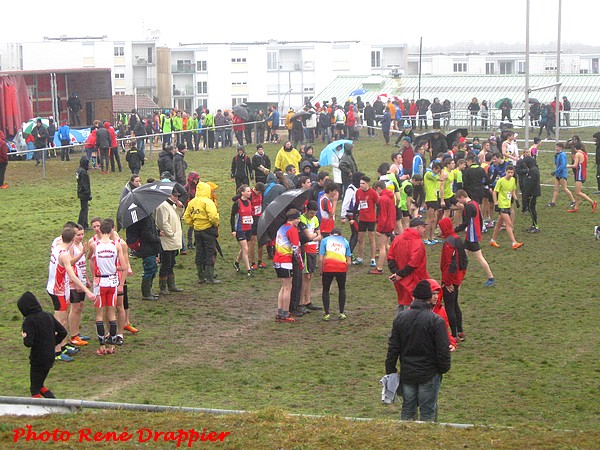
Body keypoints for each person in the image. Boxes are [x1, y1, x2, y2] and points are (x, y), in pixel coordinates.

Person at [385, 279, 451, 422]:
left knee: (408, 409)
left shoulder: (401, 318)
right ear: (429, 298)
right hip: (429, 373)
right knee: (428, 411)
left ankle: (406, 439)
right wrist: (442, 369)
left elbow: (393, 347)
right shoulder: (436, 321)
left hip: (408, 372)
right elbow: (442, 350)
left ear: (413, 297)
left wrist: (390, 369)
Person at [47, 227, 94, 362]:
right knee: (60, 321)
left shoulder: (58, 248)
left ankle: (62, 346)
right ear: (73, 238)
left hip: (58, 288)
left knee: (62, 319)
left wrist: (81, 254)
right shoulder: (64, 254)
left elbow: (68, 263)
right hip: (59, 290)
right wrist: (87, 291)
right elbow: (72, 276)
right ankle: (56, 351)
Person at [88, 220, 127, 355]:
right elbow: (124, 267)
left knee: (99, 315)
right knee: (111, 313)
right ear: (111, 230)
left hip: (99, 282)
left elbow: (89, 257)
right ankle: (112, 346)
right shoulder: (116, 245)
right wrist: (114, 267)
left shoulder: (94, 244)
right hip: (112, 281)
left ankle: (102, 346)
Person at [18, 291, 67, 398]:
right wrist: (53, 342)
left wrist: (25, 335)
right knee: (40, 385)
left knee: (34, 389)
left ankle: (39, 412)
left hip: (37, 359)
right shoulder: (48, 315)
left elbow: (28, 343)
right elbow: (63, 332)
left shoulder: (29, 321)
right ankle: (55, 404)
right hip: (50, 356)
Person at [387, 217, 430, 314]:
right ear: (418, 227)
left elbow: (390, 257)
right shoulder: (418, 242)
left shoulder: (398, 239)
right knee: (411, 306)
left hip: (400, 280)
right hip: (414, 280)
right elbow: (414, 263)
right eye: (423, 227)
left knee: (401, 303)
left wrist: (396, 273)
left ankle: (399, 326)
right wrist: (400, 274)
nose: (424, 230)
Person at [454, 190, 496, 287]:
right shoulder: (474, 203)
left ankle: (491, 278)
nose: (460, 203)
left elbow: (466, 223)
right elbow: (480, 219)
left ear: (461, 197)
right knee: (463, 256)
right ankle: (458, 278)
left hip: (472, 237)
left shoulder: (469, 206)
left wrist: (455, 230)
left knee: (478, 257)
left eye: (459, 200)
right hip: (472, 235)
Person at [184, 180, 221, 284]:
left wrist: (194, 224)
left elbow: (186, 217)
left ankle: (201, 276)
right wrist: (215, 223)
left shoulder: (192, 202)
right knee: (210, 252)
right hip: (208, 230)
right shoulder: (208, 202)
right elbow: (213, 216)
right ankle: (210, 277)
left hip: (197, 231)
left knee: (199, 252)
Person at [438, 217, 468, 343]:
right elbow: (464, 261)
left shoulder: (448, 243)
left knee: (450, 306)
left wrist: (447, 282)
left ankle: (454, 334)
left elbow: (450, 264)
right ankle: (460, 331)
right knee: (455, 304)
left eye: (439, 227)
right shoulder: (457, 239)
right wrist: (460, 279)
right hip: (457, 278)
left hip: (450, 279)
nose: (438, 230)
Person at [274, 209, 303, 323]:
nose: (299, 221)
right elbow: (296, 249)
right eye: (298, 218)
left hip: (277, 260)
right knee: (288, 288)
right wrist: (300, 263)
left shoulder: (282, 228)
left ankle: (280, 311)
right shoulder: (292, 230)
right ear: (294, 219)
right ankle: (285, 313)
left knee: (283, 287)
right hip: (285, 260)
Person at [319, 228, 351, 321]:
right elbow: (348, 261)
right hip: (341, 268)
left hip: (328, 268)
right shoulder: (345, 241)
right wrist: (345, 270)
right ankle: (341, 312)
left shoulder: (325, 240)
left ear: (330, 234)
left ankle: (327, 313)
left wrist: (321, 271)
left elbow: (321, 259)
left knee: (325, 290)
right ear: (340, 235)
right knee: (342, 289)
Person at [155, 191, 184, 295]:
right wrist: (171, 234)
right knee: (166, 263)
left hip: (173, 239)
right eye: (174, 196)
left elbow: (179, 216)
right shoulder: (163, 206)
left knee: (171, 263)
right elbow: (163, 222)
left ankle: (171, 285)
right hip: (167, 240)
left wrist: (180, 207)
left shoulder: (172, 206)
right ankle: (163, 287)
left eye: (177, 196)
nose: (176, 198)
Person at [490, 166, 524, 249]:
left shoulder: (513, 180)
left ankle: (493, 240)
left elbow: (512, 191)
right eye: (509, 172)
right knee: (508, 223)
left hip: (508, 204)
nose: (510, 174)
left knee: (499, 224)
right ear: (506, 172)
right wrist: (496, 204)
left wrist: (516, 200)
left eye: (512, 172)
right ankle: (514, 242)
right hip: (502, 205)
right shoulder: (501, 181)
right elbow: (495, 192)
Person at [298, 201, 323, 315]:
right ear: (307, 210)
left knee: (311, 276)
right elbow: (308, 236)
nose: (313, 215)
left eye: (314, 214)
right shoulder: (302, 219)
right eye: (311, 213)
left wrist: (313, 237)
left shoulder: (316, 219)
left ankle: (308, 301)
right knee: (305, 276)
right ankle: (301, 302)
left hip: (314, 249)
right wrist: (314, 236)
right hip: (306, 250)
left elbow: (319, 235)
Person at [353, 175, 379, 267]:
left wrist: (378, 217)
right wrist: (354, 216)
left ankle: (372, 259)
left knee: (371, 238)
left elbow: (378, 204)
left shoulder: (373, 193)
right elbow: (356, 204)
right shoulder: (358, 192)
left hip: (371, 219)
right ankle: (360, 258)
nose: (361, 185)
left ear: (368, 184)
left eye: (363, 183)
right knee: (360, 239)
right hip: (362, 219)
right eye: (360, 183)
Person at [371, 180, 396, 275]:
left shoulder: (382, 199)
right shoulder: (390, 197)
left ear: (378, 188)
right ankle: (397, 260)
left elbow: (382, 216)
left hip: (385, 226)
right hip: (391, 224)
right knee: (386, 246)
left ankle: (379, 268)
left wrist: (379, 229)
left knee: (381, 247)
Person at [231, 185, 254, 277]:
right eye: (248, 191)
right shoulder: (237, 203)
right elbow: (232, 217)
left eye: (250, 191)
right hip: (240, 229)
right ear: (242, 193)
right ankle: (249, 269)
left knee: (244, 248)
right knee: (245, 249)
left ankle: (236, 262)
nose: (250, 193)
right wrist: (233, 230)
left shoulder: (249, 201)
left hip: (248, 228)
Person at [566, 145, 597, 213]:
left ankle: (592, 202)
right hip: (583, 173)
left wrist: (567, 166)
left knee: (578, 192)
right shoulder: (584, 154)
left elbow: (575, 165)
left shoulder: (578, 154)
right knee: (577, 191)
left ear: (575, 148)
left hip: (580, 174)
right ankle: (576, 207)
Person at [547, 142, 576, 208]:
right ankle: (553, 202)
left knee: (564, 188)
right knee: (556, 189)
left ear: (561, 147)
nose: (556, 148)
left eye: (557, 147)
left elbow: (563, 165)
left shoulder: (562, 155)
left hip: (562, 174)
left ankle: (573, 201)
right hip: (558, 174)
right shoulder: (558, 154)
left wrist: (555, 171)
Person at [521, 156, 541, 232]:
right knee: (531, 208)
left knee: (531, 208)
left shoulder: (533, 171)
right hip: (532, 192)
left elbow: (531, 183)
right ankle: (534, 225)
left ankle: (536, 226)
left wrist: (527, 194)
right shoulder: (533, 169)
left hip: (533, 193)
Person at [75, 156, 91, 230]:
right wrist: (88, 193)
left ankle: (85, 224)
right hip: (84, 193)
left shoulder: (79, 170)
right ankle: (82, 225)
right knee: (84, 210)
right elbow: (85, 184)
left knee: (84, 209)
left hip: (80, 192)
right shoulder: (83, 172)